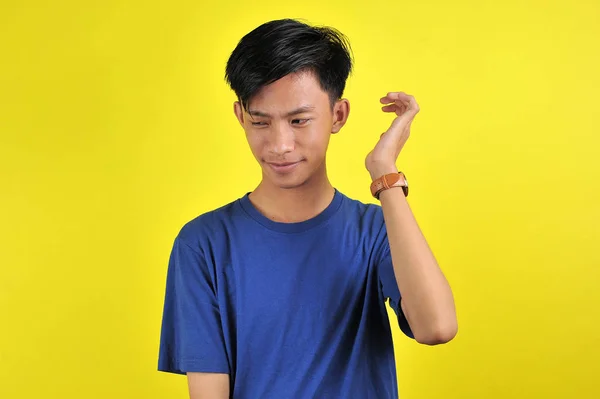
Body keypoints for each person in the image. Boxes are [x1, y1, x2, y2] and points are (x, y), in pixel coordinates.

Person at [157, 18, 457, 399]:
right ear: (239, 116)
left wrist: (386, 174)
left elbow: (437, 327)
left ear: (338, 115)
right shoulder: (203, 244)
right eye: (260, 122)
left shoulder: (377, 230)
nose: (280, 144)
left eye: (299, 120)